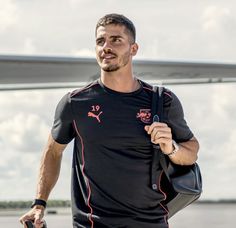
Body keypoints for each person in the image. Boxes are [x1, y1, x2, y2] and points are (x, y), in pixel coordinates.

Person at [20, 13, 199, 228]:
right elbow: (52, 150)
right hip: (93, 224)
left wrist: (171, 148)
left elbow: (191, 152)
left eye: (116, 40)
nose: (106, 46)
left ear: (133, 49)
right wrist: (39, 204)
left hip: (151, 223)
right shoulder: (76, 103)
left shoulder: (161, 100)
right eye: (100, 41)